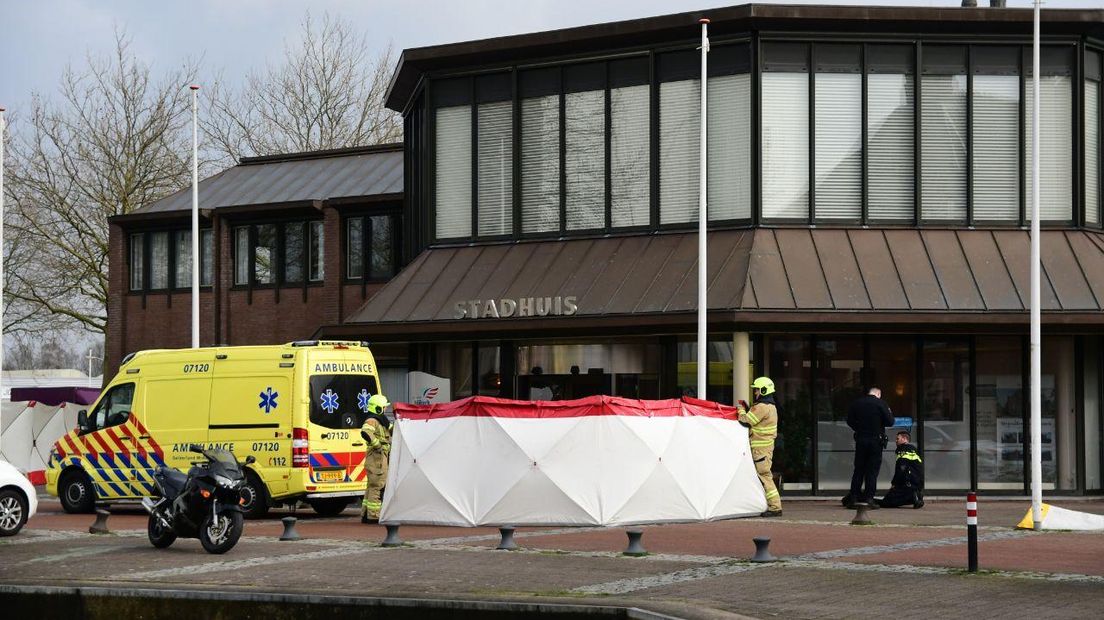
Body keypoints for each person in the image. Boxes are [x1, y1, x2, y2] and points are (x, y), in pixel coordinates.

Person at [738, 377, 782, 517]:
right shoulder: (771, 407)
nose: (755, 392)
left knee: (764, 476)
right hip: (764, 449)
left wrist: (741, 410)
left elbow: (746, 421)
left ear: (763, 390)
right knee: (764, 476)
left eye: (757, 389)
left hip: (760, 451)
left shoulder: (762, 407)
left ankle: (775, 507)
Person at [845, 387, 894, 509]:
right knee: (872, 471)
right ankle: (869, 498)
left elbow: (849, 420)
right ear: (878, 393)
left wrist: (859, 428)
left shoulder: (857, 403)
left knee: (859, 469)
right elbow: (890, 421)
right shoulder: (881, 403)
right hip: (875, 440)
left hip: (861, 439)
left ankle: (854, 497)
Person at [360, 393, 393, 524]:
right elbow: (365, 432)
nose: (385, 409)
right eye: (384, 407)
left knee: (371, 486)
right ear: (378, 408)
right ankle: (373, 516)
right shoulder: (372, 420)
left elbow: (392, 430)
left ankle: (366, 514)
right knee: (377, 486)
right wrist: (378, 445)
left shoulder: (382, 420)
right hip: (376, 457)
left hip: (379, 457)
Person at [877, 431, 924, 509]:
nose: (896, 440)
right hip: (914, 484)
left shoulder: (903, 450)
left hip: (907, 485)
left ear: (904, 439)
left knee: (886, 503)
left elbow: (901, 469)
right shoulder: (913, 450)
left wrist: (894, 484)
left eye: (897, 438)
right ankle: (915, 496)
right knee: (890, 501)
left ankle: (913, 496)